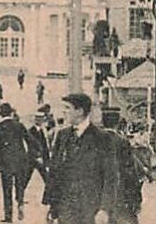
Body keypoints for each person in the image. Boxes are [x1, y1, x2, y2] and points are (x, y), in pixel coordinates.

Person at [47, 93, 124, 224]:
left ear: (80, 111)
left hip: (91, 209)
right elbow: (55, 171)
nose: (63, 112)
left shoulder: (102, 138)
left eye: (67, 108)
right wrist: (52, 206)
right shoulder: (62, 136)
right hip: (65, 208)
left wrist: (104, 209)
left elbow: (111, 176)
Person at [0, 102, 33, 222]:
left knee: (7, 189)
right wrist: (32, 155)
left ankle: (8, 216)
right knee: (19, 185)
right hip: (20, 159)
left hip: (6, 162)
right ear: (11, 113)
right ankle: (20, 202)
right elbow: (30, 140)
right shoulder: (19, 125)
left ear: (1, 114)